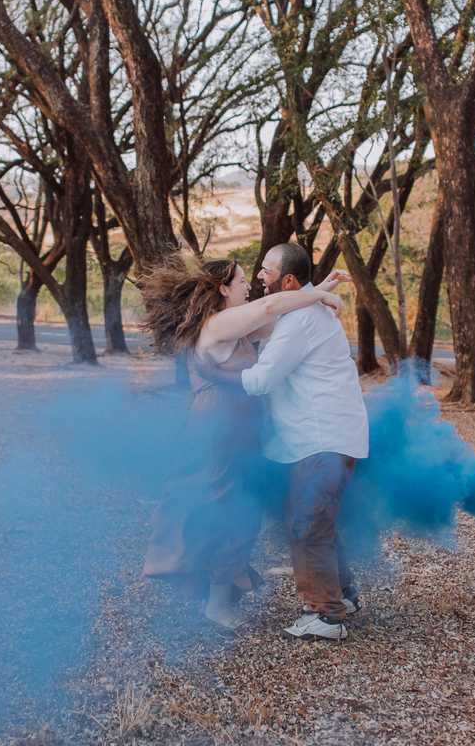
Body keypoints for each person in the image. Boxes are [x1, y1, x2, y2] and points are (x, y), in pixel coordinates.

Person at [137, 258, 344, 630]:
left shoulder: (239, 329)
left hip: (242, 432)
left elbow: (279, 318)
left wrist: (320, 289)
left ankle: (217, 602)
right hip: (219, 431)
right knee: (224, 510)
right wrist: (318, 294)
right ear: (223, 288)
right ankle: (214, 604)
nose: (250, 285)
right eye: (243, 280)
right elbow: (269, 306)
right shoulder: (218, 323)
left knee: (241, 514)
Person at [240, 243, 368, 641]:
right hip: (334, 438)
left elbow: (261, 380)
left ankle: (327, 616)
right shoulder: (307, 309)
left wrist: (214, 376)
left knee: (306, 524)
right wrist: (322, 286)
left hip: (322, 441)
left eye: (266, 270)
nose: (260, 276)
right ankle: (342, 596)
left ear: (288, 280)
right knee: (319, 521)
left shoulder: (299, 321)